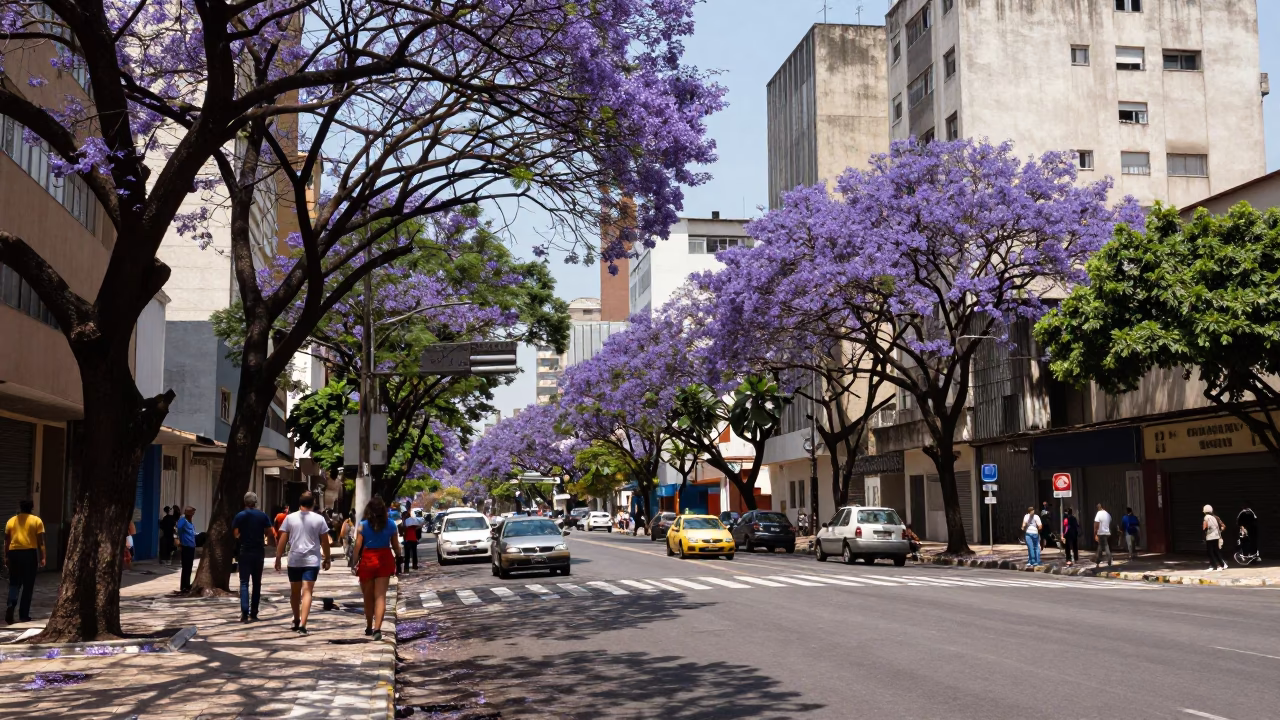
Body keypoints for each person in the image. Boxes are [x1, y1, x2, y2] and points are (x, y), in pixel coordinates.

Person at [274, 492, 331, 634]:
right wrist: (327, 558)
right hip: (312, 561)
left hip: (294, 560)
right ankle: (303, 625)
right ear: (313, 504)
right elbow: (325, 541)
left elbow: (283, 539)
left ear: (299, 503)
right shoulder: (319, 519)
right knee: (307, 592)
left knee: (294, 592)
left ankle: (296, 619)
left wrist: (278, 557)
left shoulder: (290, 518)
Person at [354, 495, 401, 641]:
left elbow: (357, 547)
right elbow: (395, 546)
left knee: (367, 596)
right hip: (385, 559)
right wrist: (399, 557)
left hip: (368, 560)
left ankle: (369, 625)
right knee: (380, 596)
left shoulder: (362, 525)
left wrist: (354, 562)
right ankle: (377, 629)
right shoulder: (392, 524)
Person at [233, 491, 276, 623]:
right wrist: (262, 537)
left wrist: (243, 538)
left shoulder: (240, 515)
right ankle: (254, 613)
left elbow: (235, 534)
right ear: (255, 502)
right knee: (257, 583)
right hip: (258, 552)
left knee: (244, 582)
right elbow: (270, 531)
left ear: (245, 502)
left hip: (245, 551)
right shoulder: (262, 515)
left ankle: (244, 612)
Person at [4, 500, 46, 624]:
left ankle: (10, 607)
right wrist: (43, 557)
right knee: (28, 586)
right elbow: (41, 542)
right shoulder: (37, 521)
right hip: (29, 554)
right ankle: (23, 615)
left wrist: (6, 556)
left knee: (14, 583)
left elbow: (6, 541)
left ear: (20, 507)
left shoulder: (11, 521)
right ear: (32, 508)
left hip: (14, 554)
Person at [175, 506, 197, 592]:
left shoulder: (190, 522)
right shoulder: (183, 521)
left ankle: (187, 584)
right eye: (192, 513)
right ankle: (184, 586)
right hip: (186, 546)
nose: (192, 515)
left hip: (191, 546)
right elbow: (178, 530)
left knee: (189, 567)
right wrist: (179, 540)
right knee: (186, 567)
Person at [1203, 505, 1228, 571]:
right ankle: (1220, 565)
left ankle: (1217, 565)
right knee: (1216, 551)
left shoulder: (1206, 517)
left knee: (1210, 552)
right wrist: (1219, 532)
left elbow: (1205, 527)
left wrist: (1205, 534)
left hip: (1210, 537)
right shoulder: (1216, 517)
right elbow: (1223, 526)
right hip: (1217, 536)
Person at [400, 503, 422, 573]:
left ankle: (406, 568)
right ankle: (414, 565)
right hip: (413, 540)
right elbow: (418, 526)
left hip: (408, 540)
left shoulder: (405, 524)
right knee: (414, 553)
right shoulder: (412, 523)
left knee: (407, 554)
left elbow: (403, 532)